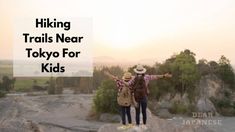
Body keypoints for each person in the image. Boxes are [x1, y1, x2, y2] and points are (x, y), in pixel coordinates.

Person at [125, 64, 172, 129]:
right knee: (144, 111)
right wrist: (164, 75)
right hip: (144, 96)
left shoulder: (133, 78)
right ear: (143, 71)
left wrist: (119, 80)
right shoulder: (147, 77)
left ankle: (137, 125)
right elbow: (156, 77)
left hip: (136, 97)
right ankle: (144, 125)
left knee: (137, 112)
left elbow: (128, 84)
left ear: (136, 71)